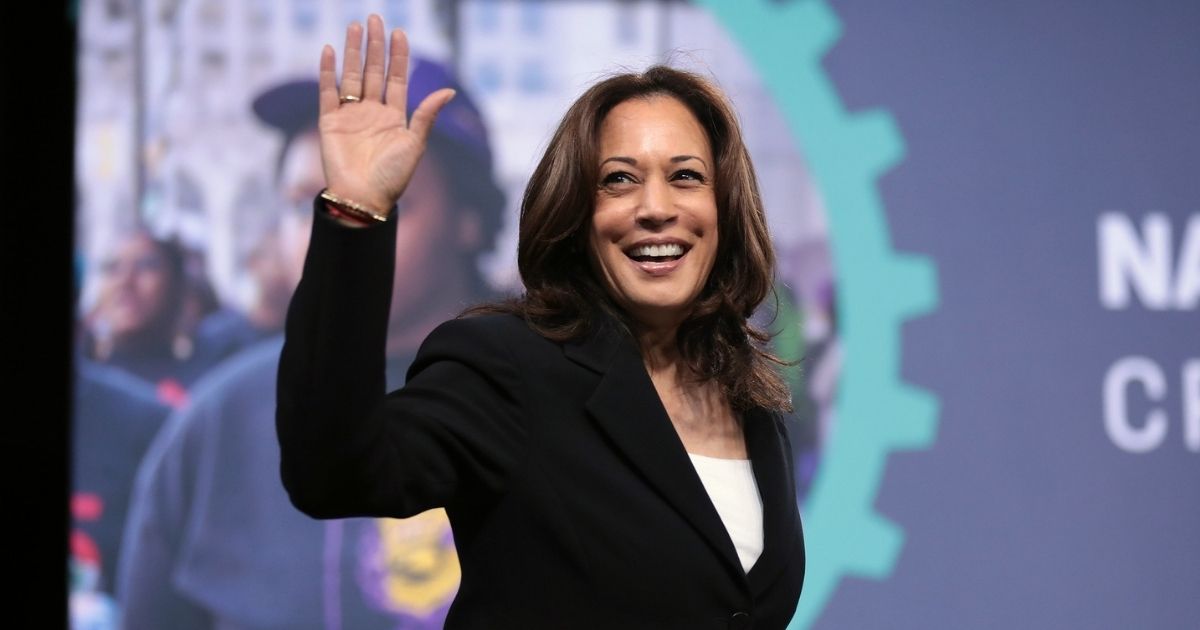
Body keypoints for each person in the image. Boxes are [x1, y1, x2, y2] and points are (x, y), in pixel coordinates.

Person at [277, 14, 805, 629]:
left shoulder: (750, 399)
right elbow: (334, 474)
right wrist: (357, 213)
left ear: (724, 208)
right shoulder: (507, 365)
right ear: (577, 215)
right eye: (619, 180)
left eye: (686, 177)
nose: (657, 208)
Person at [116, 55, 504, 628]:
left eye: (385, 195)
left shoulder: (562, 401)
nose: (338, 227)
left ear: (467, 217)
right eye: (309, 205)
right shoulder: (217, 426)